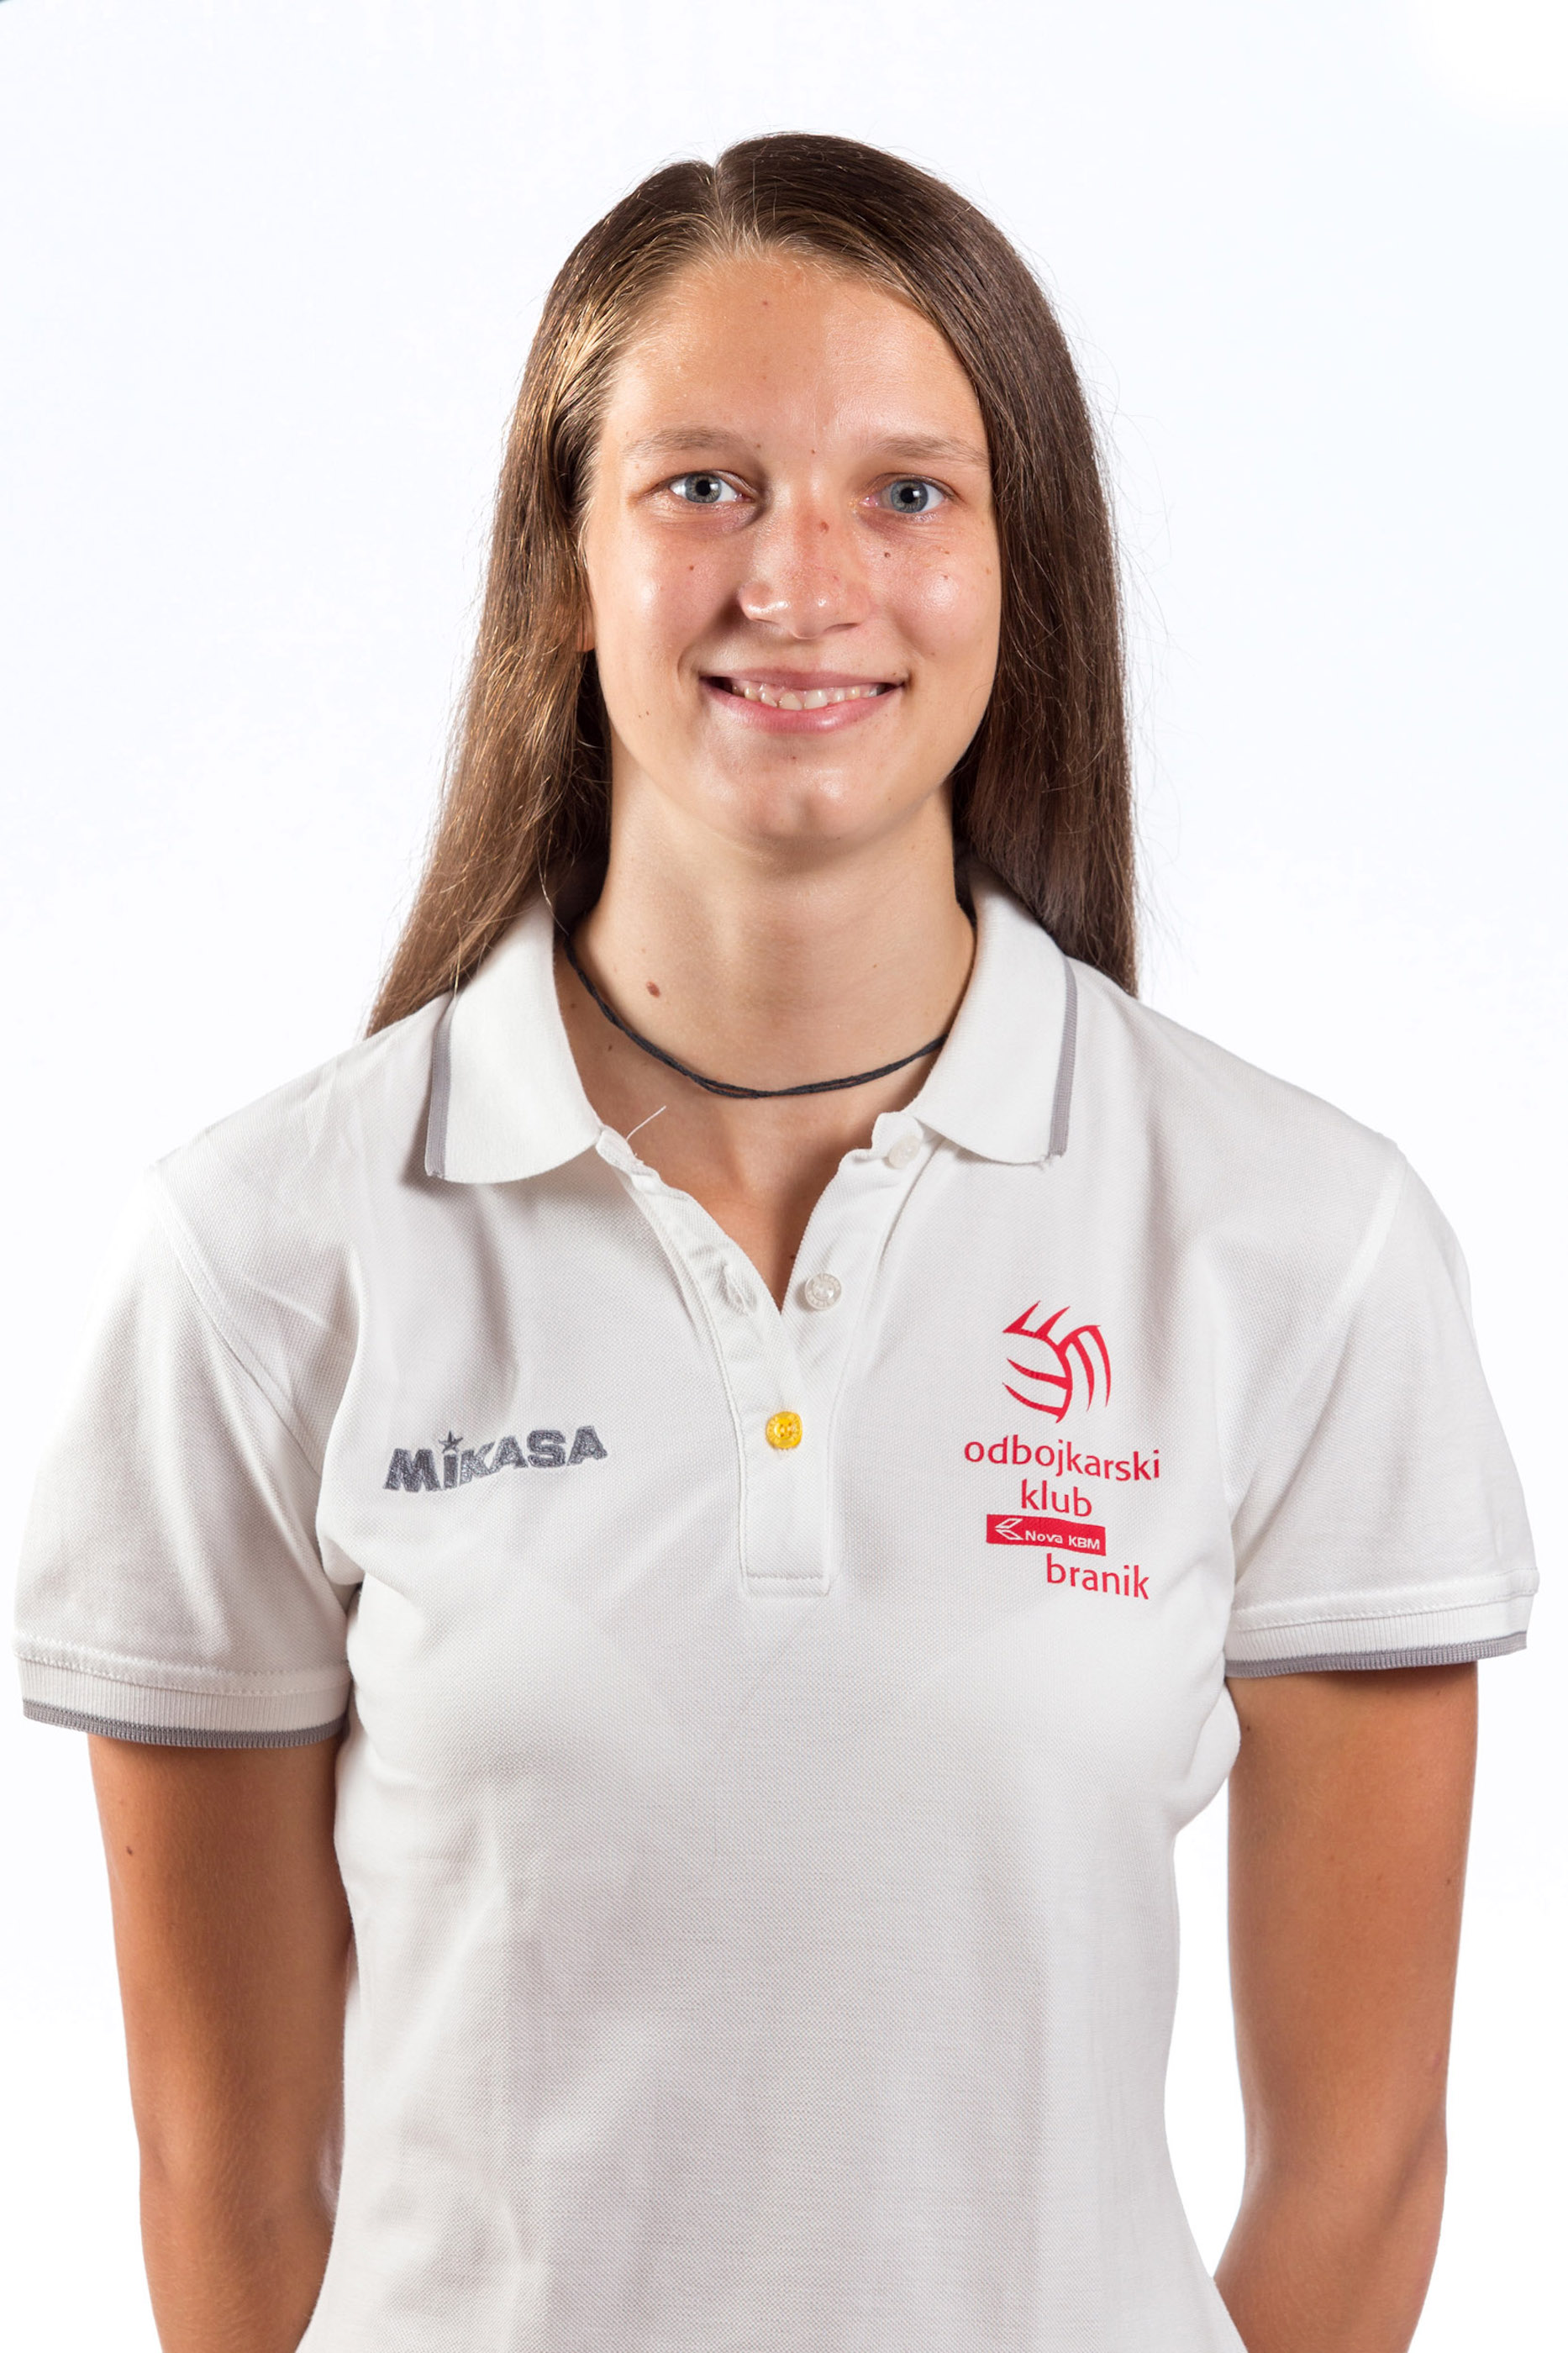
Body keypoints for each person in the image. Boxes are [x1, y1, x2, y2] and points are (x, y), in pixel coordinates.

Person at [12, 133, 1537, 2353]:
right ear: (562, 565)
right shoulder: (262, 1261)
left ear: (1018, 569)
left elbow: (1357, 2171)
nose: (800, 583)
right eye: (703, 487)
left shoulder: (1298, 1244)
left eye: (906, 492)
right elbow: (229, 2186)